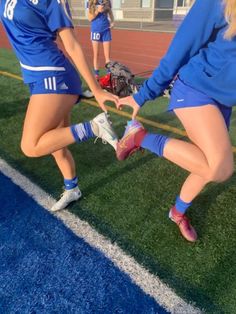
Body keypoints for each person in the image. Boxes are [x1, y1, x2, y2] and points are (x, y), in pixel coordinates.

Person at [116, 0, 236, 242]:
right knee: (220, 168)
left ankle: (177, 212)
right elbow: (179, 50)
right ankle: (139, 137)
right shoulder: (217, 3)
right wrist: (144, 94)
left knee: (205, 165)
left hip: (223, 100)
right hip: (196, 89)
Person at [0, 0, 119, 211]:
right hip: (39, 77)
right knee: (56, 143)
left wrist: (97, 89)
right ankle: (72, 188)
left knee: (31, 145)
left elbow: (72, 46)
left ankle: (94, 127)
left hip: (52, 75)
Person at [87, 0, 114, 79]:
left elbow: (110, 13)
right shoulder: (92, 2)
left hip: (106, 30)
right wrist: (97, 11)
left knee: (107, 56)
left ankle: (109, 74)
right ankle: (96, 74)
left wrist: (112, 22)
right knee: (96, 54)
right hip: (96, 30)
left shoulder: (107, 1)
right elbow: (89, 18)